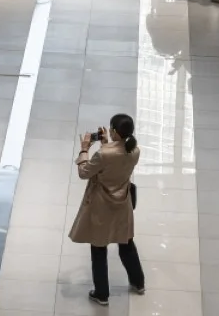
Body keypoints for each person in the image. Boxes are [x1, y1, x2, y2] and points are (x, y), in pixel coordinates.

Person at [68, 113, 145, 307]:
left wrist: (84, 150)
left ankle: (102, 293)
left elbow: (84, 172)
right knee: (126, 243)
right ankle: (138, 282)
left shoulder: (103, 154)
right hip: (123, 204)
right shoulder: (135, 150)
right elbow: (116, 161)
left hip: (102, 206)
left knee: (99, 247)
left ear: (115, 131)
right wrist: (107, 143)